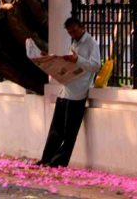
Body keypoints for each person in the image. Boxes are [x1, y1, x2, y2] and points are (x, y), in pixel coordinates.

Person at [37, 16, 101, 167]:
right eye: (70, 32)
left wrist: (78, 60)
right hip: (65, 90)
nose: (73, 34)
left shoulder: (91, 43)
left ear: (82, 27)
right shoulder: (74, 42)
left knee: (69, 132)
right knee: (56, 129)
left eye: (74, 30)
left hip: (78, 93)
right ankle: (46, 159)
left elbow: (96, 65)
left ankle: (58, 162)